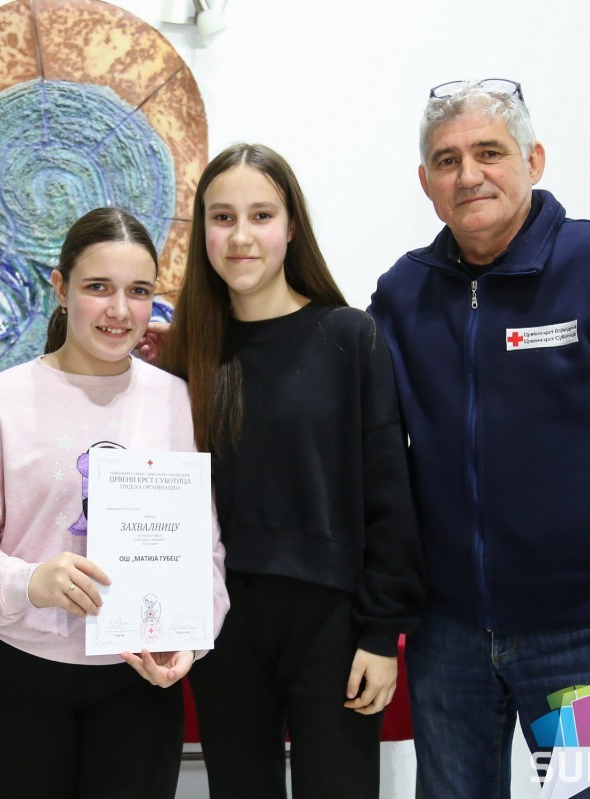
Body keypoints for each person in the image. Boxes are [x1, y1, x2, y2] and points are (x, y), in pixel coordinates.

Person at [369, 78, 590, 796]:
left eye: (489, 152)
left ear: (533, 159)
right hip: (447, 638)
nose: (469, 175)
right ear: (426, 183)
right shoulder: (402, 293)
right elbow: (358, 433)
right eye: (446, 160)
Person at [0, 207, 228, 799]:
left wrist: (191, 637)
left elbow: (207, 552)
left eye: (137, 291)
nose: (119, 310)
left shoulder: (179, 403)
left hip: (137, 678)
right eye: (98, 287)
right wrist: (30, 581)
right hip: (16, 673)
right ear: (61, 289)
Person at [157, 143, 424, 799]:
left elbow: (389, 494)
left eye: (261, 215)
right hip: (221, 623)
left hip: (333, 626)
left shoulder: (349, 337)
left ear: (291, 227)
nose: (240, 236)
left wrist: (380, 634)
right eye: (222, 217)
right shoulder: (185, 354)